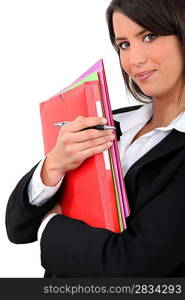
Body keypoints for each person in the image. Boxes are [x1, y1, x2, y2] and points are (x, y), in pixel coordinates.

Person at [5, 0, 185, 277]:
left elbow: (130, 267)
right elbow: (16, 226)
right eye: (123, 44)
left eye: (149, 36)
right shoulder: (108, 119)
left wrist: (49, 223)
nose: (135, 59)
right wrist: (53, 165)